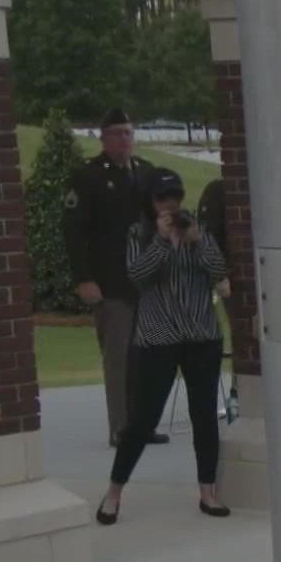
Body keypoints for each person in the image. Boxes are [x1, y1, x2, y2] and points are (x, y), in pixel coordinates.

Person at [94, 168, 231, 525]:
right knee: (142, 420)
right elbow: (138, 277)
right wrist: (160, 241)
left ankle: (207, 492)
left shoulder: (198, 231)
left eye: (175, 197)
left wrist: (198, 240)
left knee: (204, 417)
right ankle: (114, 492)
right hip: (158, 339)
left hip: (202, 336)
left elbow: (219, 271)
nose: (170, 205)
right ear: (150, 201)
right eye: (162, 198)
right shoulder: (138, 234)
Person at [65, 108, 165, 449]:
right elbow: (75, 233)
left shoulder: (147, 173)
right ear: (104, 138)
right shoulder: (89, 177)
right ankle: (122, 428)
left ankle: (144, 423)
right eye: (117, 133)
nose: (124, 139)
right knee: (120, 358)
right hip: (112, 282)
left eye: (128, 133)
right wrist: (84, 278)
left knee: (148, 356)